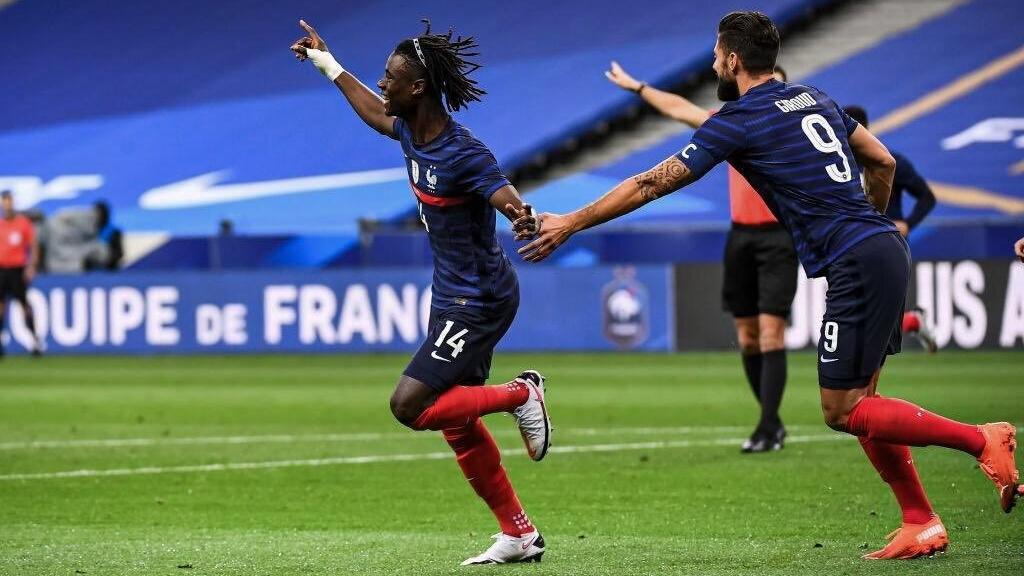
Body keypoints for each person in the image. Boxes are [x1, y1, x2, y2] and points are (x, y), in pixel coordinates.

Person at [519, 11, 1019, 559]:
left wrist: (569, 221)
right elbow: (881, 160)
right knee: (866, 400)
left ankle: (982, 440)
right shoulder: (815, 98)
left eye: (715, 53)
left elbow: (649, 183)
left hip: (858, 260)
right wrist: (870, 223)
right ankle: (919, 520)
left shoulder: (738, 119)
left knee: (844, 409)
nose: (713, 62)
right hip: (880, 249)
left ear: (732, 59)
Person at [291, 20, 550, 565]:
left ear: (418, 90)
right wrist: (327, 63)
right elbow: (372, 111)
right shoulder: (408, 128)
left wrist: (522, 217)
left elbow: (504, 195)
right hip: (451, 294)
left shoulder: (463, 152)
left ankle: (522, 394)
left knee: (409, 404)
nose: (383, 85)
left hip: (479, 299)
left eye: (390, 79)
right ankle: (519, 534)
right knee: (456, 421)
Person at [606, 61, 795, 453]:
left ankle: (766, 426)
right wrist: (639, 86)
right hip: (741, 236)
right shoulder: (732, 125)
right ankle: (772, 422)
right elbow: (679, 109)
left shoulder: (790, 129)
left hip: (780, 237)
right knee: (747, 336)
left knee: (771, 331)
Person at [843, 106, 938, 353]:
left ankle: (866, 387)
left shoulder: (887, 160)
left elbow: (927, 197)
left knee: (872, 317)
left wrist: (908, 223)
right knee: (864, 314)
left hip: (885, 245)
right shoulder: (838, 164)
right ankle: (912, 321)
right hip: (852, 244)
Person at [0, 190, 43, 358]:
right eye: (4, 201)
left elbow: (34, 246)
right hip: (2, 270)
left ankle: (35, 341)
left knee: (24, 306)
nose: (7, 204)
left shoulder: (23, 223)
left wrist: (32, 266)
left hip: (18, 270)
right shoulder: (1, 224)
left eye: (9, 201)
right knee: (1, 307)